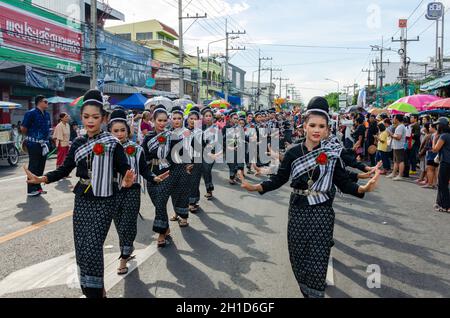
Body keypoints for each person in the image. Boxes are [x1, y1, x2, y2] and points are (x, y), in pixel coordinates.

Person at [240, 97, 380, 298]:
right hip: (298, 208)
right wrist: (256, 187)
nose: (316, 129)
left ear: (327, 130)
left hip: (322, 211)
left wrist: (363, 188)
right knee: (298, 256)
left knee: (318, 257)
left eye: (321, 126)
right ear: (304, 126)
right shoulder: (293, 152)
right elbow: (280, 178)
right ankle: (307, 289)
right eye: (312, 125)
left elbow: (344, 183)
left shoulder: (332, 153)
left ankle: (314, 294)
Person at [24, 89, 136, 298]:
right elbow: (64, 170)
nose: (90, 121)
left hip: (105, 200)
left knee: (93, 245)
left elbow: (124, 168)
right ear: (81, 117)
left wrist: (127, 180)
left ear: (104, 118)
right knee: (82, 246)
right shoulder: (78, 142)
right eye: (86, 117)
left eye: (95, 117)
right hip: (83, 198)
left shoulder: (112, 143)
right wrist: (42, 179)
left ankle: (94, 293)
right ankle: (94, 289)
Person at [142, 105, 176, 247]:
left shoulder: (172, 136)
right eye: (159, 120)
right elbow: (142, 156)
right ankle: (165, 225)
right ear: (153, 121)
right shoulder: (148, 137)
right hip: (151, 172)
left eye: (164, 120)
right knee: (157, 203)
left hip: (167, 172)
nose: (162, 123)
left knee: (161, 202)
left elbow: (177, 155)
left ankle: (161, 233)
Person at [21, 95, 51, 197]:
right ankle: (31, 189)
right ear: (39, 102)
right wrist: (32, 138)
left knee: (41, 166)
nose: (47, 103)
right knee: (33, 166)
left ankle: (38, 188)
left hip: (44, 144)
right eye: (45, 101)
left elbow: (48, 127)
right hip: (33, 144)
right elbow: (24, 128)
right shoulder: (31, 113)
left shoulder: (47, 114)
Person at [432, 117, 450, 213]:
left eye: (438, 125)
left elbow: (435, 149)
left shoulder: (443, 136)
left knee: (442, 184)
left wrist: (434, 139)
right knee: (444, 184)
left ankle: (445, 206)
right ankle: (439, 203)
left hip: (445, 162)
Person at [387, 115, 407, 181]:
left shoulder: (400, 127)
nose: (393, 119)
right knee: (396, 161)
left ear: (397, 120)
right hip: (397, 146)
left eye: (394, 118)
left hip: (399, 146)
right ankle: (394, 173)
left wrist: (391, 134)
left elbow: (398, 137)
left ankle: (400, 175)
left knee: (400, 161)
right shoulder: (399, 126)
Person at [422, 123, 439, 189]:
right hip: (436, 155)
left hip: (432, 155)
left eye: (429, 127)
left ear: (433, 128)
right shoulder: (439, 134)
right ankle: (434, 183)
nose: (429, 128)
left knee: (430, 169)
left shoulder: (434, 135)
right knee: (435, 170)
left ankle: (430, 184)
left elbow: (430, 146)